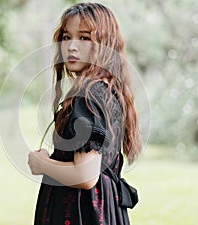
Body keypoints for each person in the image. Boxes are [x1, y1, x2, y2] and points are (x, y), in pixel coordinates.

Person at [28, 2, 141, 225]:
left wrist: (41, 164)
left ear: (106, 42)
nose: (71, 46)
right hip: (100, 209)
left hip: (81, 213)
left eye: (84, 38)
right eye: (66, 37)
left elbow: (85, 176)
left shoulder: (88, 97)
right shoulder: (105, 90)